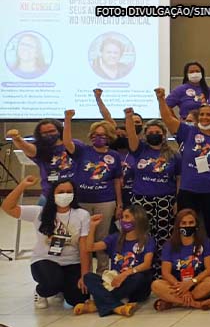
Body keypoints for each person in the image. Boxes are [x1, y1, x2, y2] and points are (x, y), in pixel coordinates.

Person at [1, 176, 90, 309]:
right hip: (45, 260)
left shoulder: (82, 214)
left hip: (72, 261)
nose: (65, 195)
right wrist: (22, 186)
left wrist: (84, 275)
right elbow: (7, 207)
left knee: (78, 298)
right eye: (60, 192)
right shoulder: (39, 212)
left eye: (68, 191)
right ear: (53, 194)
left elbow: (84, 247)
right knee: (52, 282)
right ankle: (41, 292)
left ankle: (61, 289)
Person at [157, 88, 210, 239]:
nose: (204, 117)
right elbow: (168, 119)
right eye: (202, 114)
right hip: (188, 191)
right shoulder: (188, 132)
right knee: (186, 230)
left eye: (208, 115)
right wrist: (161, 99)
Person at [63, 110, 122, 274]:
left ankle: (102, 272)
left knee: (102, 239)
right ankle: (84, 272)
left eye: (102, 135)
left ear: (109, 137)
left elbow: (117, 180)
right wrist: (67, 120)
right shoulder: (83, 150)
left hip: (106, 201)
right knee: (82, 238)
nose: (98, 138)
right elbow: (67, 142)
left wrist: (119, 204)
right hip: (82, 200)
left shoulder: (114, 156)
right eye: (95, 135)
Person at [126, 112, 180, 277]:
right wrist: (128, 117)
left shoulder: (174, 155)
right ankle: (143, 272)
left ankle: (161, 272)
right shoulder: (139, 150)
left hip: (166, 200)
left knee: (164, 237)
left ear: (164, 135)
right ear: (145, 134)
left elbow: (178, 179)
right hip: (142, 199)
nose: (154, 135)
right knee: (143, 235)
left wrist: (177, 200)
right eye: (150, 133)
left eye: (158, 133)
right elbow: (131, 135)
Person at [76, 205, 154, 317]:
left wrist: (125, 275)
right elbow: (90, 248)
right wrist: (92, 227)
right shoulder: (115, 238)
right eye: (122, 217)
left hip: (134, 284)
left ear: (137, 219)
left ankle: (99, 303)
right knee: (88, 277)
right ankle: (117, 306)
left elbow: (147, 264)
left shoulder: (147, 240)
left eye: (127, 217)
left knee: (139, 277)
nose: (123, 220)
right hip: (114, 283)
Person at [151, 209, 210, 311]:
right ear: (178, 225)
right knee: (156, 285)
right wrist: (182, 288)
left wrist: (191, 283)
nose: (187, 226)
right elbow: (165, 273)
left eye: (191, 223)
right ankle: (197, 304)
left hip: (196, 284)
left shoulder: (205, 242)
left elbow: (209, 270)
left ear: (196, 225)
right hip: (176, 285)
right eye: (184, 223)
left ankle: (174, 303)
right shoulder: (169, 245)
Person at [6, 119, 75, 200]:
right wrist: (17, 139)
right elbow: (27, 148)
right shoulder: (40, 149)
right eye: (44, 133)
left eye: (52, 131)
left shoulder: (74, 144)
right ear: (40, 135)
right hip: (49, 195)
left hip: (75, 193)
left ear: (59, 130)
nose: (49, 134)